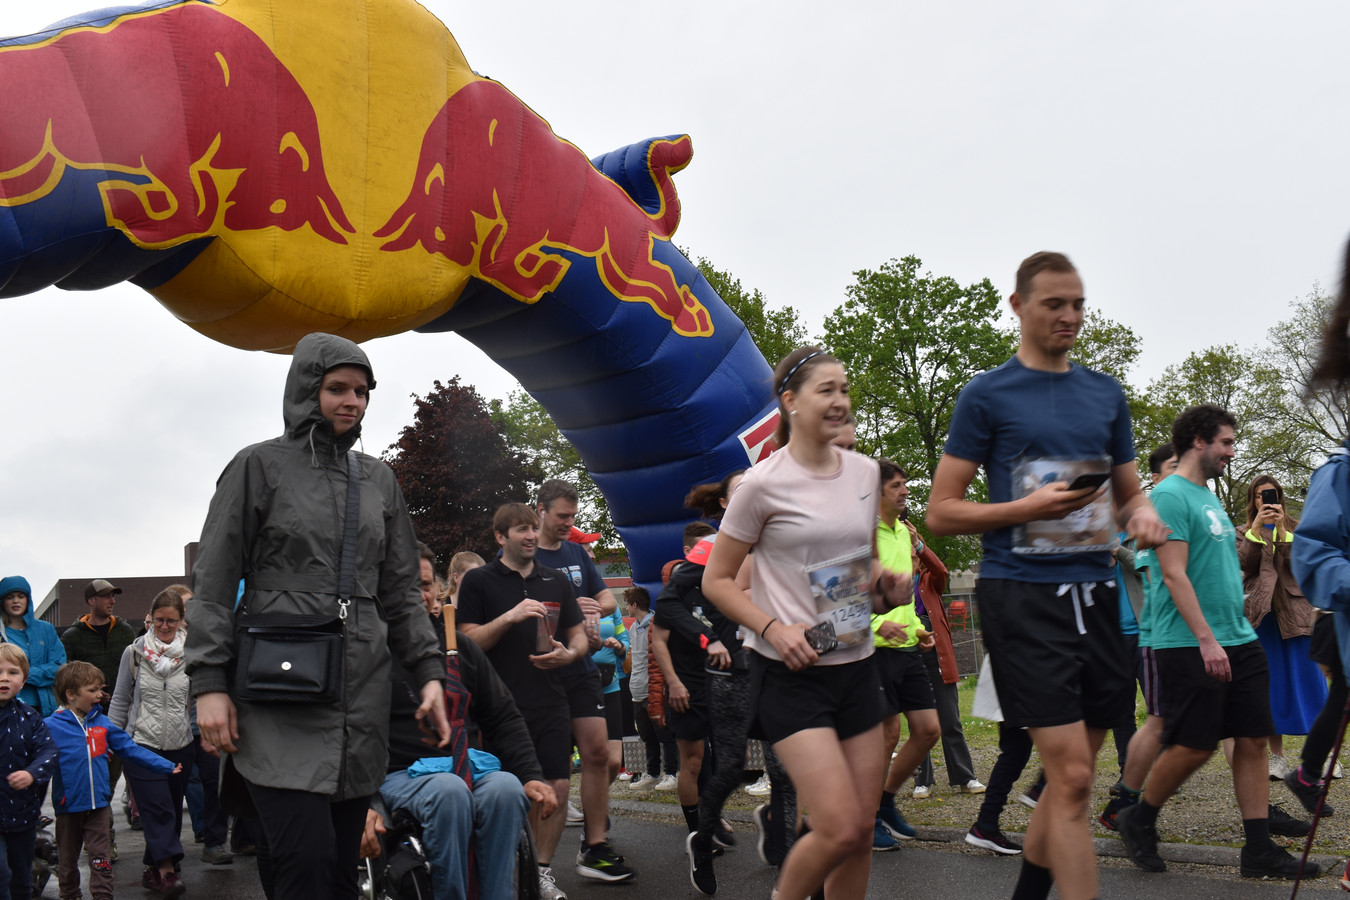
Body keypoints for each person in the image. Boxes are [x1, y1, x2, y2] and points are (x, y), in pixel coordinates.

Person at [925, 252, 1168, 900]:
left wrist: (1141, 515)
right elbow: (941, 511)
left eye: (1078, 304)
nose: (1069, 316)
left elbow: (1129, 492)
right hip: (1024, 596)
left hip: (1099, 594)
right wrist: (1025, 508)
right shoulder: (988, 395)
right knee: (1073, 777)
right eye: (1054, 303)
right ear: (1018, 306)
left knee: (1074, 777)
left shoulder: (1103, 393)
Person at [186, 333, 449, 900]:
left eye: (361, 391)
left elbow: (402, 591)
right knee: (300, 866)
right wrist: (209, 683)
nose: (351, 401)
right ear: (307, 389)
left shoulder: (379, 479)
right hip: (278, 695)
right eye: (336, 388)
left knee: (339, 872)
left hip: (360, 699)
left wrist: (430, 674)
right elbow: (211, 584)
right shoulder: (257, 465)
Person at [702, 346, 913, 900]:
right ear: (791, 402)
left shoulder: (865, 473)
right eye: (827, 390)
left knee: (859, 833)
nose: (840, 400)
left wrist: (884, 591)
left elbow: (850, 574)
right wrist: (773, 629)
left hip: (857, 666)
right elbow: (718, 581)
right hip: (791, 676)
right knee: (838, 825)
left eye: (844, 389)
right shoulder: (759, 485)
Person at [1115, 404, 1312, 879]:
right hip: (1187, 642)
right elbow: (1173, 573)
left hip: (1239, 637)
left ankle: (1259, 849)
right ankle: (1138, 818)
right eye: (1225, 441)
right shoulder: (1169, 497)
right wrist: (1206, 640)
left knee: (1251, 740)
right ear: (1199, 441)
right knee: (1194, 745)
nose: (1231, 450)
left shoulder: (1207, 499)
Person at [456, 502, 602, 900]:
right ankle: (498, 871)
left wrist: (568, 654)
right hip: (495, 706)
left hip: (550, 697)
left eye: (533, 529)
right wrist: (510, 617)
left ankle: (540, 871)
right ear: (501, 537)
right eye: (521, 530)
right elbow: (466, 642)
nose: (531, 536)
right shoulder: (479, 582)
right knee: (499, 789)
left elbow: (577, 635)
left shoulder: (555, 580)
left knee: (554, 783)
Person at [362, 627, 557, 900]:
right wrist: (364, 803)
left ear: (441, 591)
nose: (420, 594)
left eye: (428, 584)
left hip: (464, 767)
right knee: (449, 791)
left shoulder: (460, 647)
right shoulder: (371, 648)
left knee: (506, 788)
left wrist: (530, 774)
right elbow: (351, 730)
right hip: (399, 774)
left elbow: (503, 718)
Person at [529, 479, 634, 884]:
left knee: (602, 757)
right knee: (550, 774)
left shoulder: (575, 552)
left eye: (572, 516)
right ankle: (534, 863)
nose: (568, 524)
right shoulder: (527, 553)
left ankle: (594, 847)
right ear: (540, 510)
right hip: (544, 675)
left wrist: (594, 606)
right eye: (561, 516)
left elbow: (607, 598)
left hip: (584, 670)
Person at [1287, 260, 1350, 877]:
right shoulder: (1340, 471)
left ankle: (1308, 768)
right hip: (1329, 619)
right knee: (1337, 697)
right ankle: (1308, 770)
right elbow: (1313, 553)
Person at [109, 588, 222, 893]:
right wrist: (110, 738)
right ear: (151, 618)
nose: (164, 627)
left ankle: (152, 868)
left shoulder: (193, 654)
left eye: (171, 621)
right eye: (159, 620)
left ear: (182, 621)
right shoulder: (134, 654)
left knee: (170, 809)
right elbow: (120, 699)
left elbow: (200, 698)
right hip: (140, 745)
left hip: (181, 745)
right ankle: (168, 871)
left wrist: (209, 736)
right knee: (158, 808)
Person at [48, 661, 180, 900]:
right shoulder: (50, 726)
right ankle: (69, 895)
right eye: (92, 690)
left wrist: (166, 766)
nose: (100, 695)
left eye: (100, 688)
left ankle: (103, 896)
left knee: (101, 859)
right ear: (71, 694)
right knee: (67, 861)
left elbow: (131, 749)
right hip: (68, 808)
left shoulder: (103, 724)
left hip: (98, 807)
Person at [870, 460, 940, 852]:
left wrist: (917, 629)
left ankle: (885, 799)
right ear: (877, 492)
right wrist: (875, 627)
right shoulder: (864, 536)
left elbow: (906, 597)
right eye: (897, 485)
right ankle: (870, 819)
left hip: (908, 645)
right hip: (874, 651)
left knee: (929, 730)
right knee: (887, 735)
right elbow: (842, 600)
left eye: (906, 484)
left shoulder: (902, 533)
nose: (905, 490)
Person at [1238, 475, 1326, 778]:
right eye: (1260, 495)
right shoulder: (1242, 532)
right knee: (1270, 687)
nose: (1267, 499)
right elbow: (1245, 566)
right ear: (1253, 500)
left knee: (1310, 683)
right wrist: (1256, 531)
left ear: (1281, 497)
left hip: (1295, 613)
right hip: (1262, 617)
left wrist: (1282, 532)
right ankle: (1276, 758)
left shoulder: (1298, 530)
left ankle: (1320, 755)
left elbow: (1300, 565)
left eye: (1271, 494)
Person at [60, 578, 136, 855]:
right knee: (99, 780)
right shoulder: (73, 637)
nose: (111, 601)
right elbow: (66, 679)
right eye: (105, 596)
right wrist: (90, 696)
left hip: (122, 718)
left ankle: (113, 831)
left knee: (114, 778)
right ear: (91, 601)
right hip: (88, 721)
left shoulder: (126, 632)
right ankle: (105, 841)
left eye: (113, 596)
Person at [0, 642, 57, 900]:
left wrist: (32, 773)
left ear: (23, 681)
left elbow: (49, 752)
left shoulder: (30, 718)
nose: (4, 678)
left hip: (22, 815)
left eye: (12, 672)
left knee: (22, 879)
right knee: (1, 875)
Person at [0, 577, 65, 716]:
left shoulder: (46, 629)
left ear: (28, 599)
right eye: (10, 597)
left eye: (21, 596)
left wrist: (22, 673)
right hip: (6, 707)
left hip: (44, 708)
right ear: (2, 601)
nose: (16, 601)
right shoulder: (1, 633)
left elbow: (59, 667)